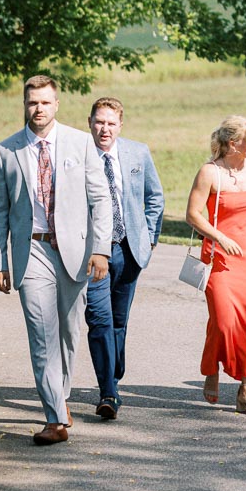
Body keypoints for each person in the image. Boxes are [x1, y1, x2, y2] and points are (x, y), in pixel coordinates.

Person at [0, 74, 111, 445]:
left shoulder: (80, 142)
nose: (38, 109)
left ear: (56, 104)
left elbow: (101, 199)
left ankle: (62, 395)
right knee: (41, 335)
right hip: (33, 252)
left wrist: (101, 249)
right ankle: (55, 418)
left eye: (45, 102)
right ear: (24, 104)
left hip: (74, 251)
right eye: (32, 102)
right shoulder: (6, 151)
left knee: (70, 333)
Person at [84, 96, 166, 421]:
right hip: (94, 253)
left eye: (111, 123)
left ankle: (113, 374)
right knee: (99, 319)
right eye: (99, 122)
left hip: (130, 248)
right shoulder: (78, 155)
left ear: (121, 125)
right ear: (90, 122)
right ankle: (108, 392)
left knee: (119, 321)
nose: (105, 129)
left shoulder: (137, 152)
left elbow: (154, 196)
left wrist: (149, 236)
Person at [186, 116, 246, 415]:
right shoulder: (210, 172)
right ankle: (212, 368)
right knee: (223, 322)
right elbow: (193, 214)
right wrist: (221, 237)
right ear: (234, 143)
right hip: (218, 257)